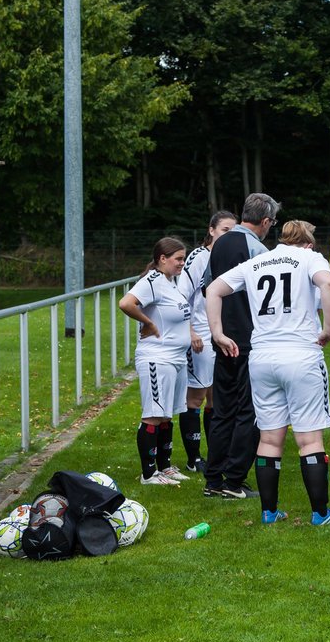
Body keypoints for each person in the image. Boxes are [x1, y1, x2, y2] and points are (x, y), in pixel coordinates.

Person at [206, 221, 330, 525]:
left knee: (269, 438)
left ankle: (269, 511)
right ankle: (321, 514)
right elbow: (329, 285)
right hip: (301, 355)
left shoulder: (255, 261)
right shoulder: (310, 258)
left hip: (262, 358)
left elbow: (213, 289)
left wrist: (217, 333)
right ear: (307, 243)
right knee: (309, 439)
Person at [203, 193, 279, 499]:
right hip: (248, 339)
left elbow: (209, 287)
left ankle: (212, 478)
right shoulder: (258, 249)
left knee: (222, 410)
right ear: (264, 221)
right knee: (249, 411)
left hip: (222, 336)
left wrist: (217, 331)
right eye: (271, 223)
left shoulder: (219, 243)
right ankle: (234, 481)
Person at [119, 237, 192, 486]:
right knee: (153, 415)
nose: (182, 263)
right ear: (163, 259)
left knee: (166, 415)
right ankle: (148, 474)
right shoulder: (151, 281)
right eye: (178, 259)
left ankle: (165, 467)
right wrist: (148, 323)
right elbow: (126, 303)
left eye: (183, 258)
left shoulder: (171, 282)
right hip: (157, 358)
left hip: (177, 358)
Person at [180, 211, 238, 473]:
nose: (229, 235)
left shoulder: (227, 257)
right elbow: (183, 296)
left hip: (221, 332)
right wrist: (190, 330)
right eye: (225, 229)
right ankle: (193, 459)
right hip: (200, 334)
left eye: (233, 231)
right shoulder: (197, 257)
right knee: (196, 396)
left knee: (217, 397)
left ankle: (216, 454)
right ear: (212, 230)